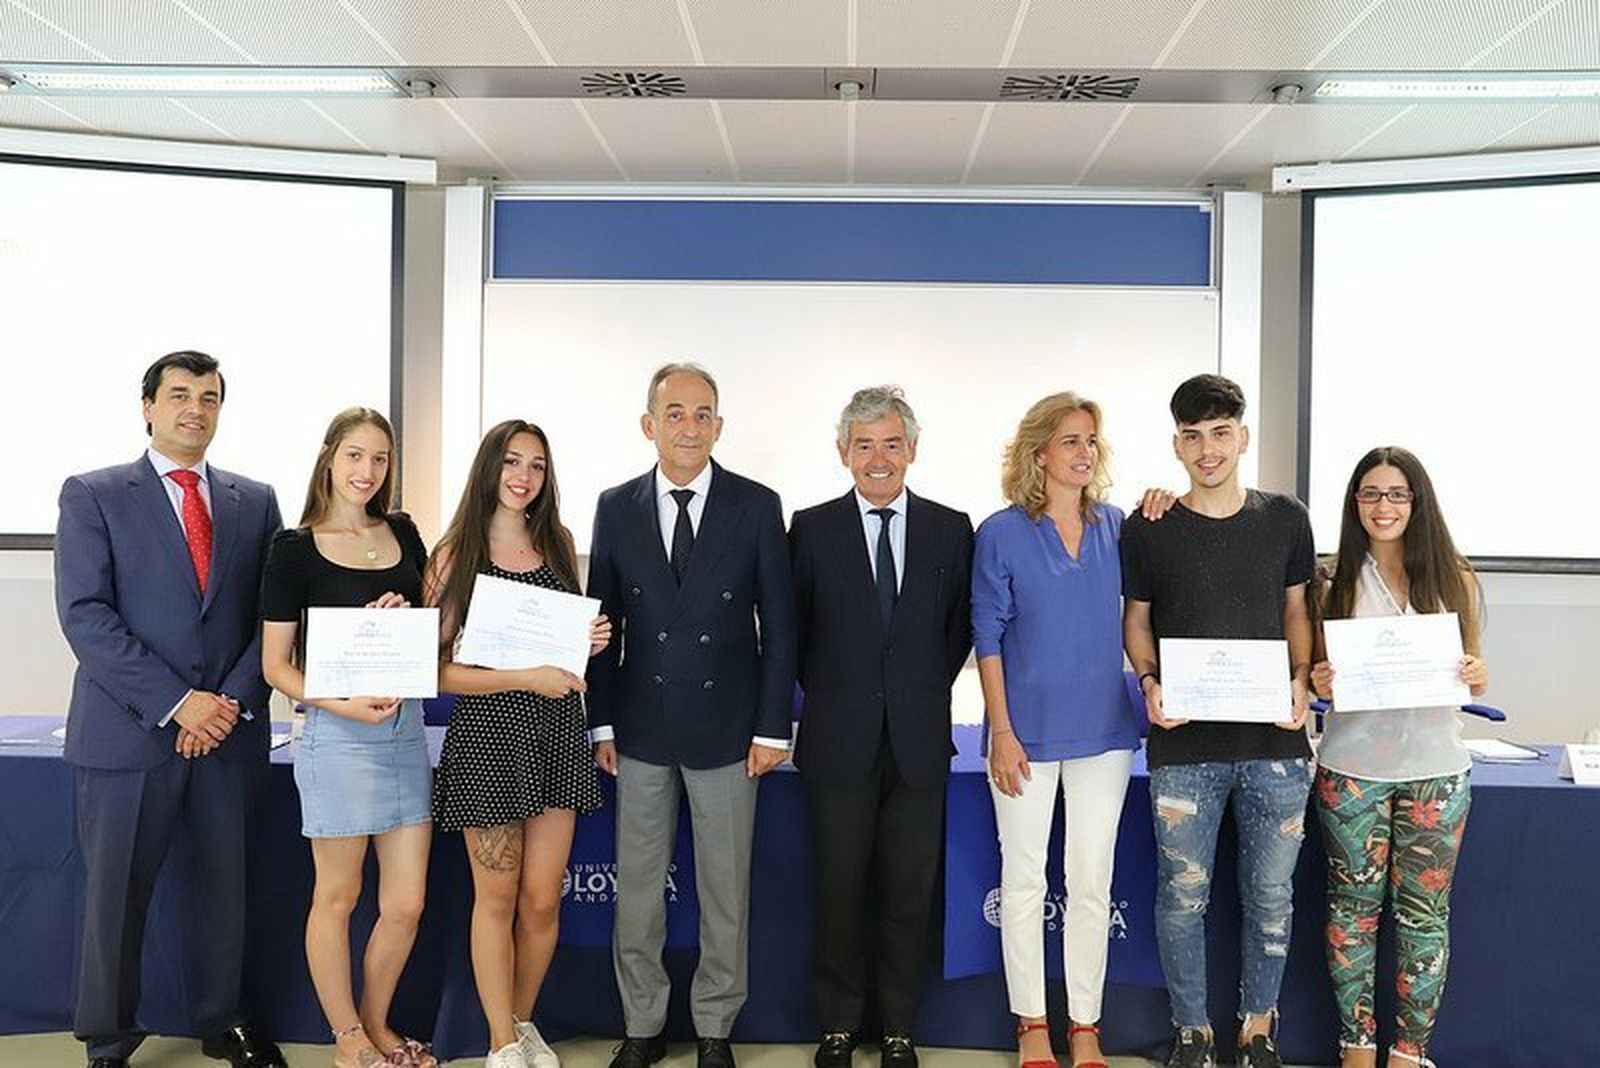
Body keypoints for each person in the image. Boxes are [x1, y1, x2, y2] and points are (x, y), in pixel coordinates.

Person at [54, 351, 286, 1068]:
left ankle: (222, 1019)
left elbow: (272, 617)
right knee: (115, 898)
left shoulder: (256, 500)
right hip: (129, 735)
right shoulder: (93, 494)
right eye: (180, 395)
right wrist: (180, 704)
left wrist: (226, 705)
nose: (195, 409)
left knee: (226, 889)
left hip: (228, 733)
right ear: (148, 406)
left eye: (209, 397)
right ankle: (108, 1038)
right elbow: (86, 615)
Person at [586, 363, 797, 1068]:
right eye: (675, 413)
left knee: (725, 891)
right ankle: (642, 1025)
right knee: (638, 891)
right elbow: (603, 623)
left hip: (729, 730)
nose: (689, 426)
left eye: (703, 413)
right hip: (641, 727)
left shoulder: (756, 505)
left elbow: (781, 628)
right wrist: (601, 722)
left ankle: (714, 1028)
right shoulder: (616, 506)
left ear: (720, 425)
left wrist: (772, 727)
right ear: (649, 424)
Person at [1120, 374, 1315, 1068]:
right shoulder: (1148, 526)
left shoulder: (1285, 518)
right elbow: (1136, 621)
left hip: (1276, 746)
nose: (1208, 450)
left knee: (1271, 897)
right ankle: (1192, 1034)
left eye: (1221, 433)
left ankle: (1257, 1031)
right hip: (1184, 748)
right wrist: (1149, 682)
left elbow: (1297, 610)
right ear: (1177, 445)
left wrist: (1300, 677)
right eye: (1194, 436)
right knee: (1183, 897)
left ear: (1243, 437)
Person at [789, 386, 973, 1068]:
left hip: (918, 742)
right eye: (864, 445)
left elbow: (957, 630)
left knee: (907, 895)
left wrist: (910, 690)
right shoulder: (810, 528)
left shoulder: (952, 529)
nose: (878, 458)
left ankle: (898, 1027)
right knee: (838, 891)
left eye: (892, 444)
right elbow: (794, 633)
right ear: (843, 452)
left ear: (912, 450)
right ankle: (838, 1025)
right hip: (838, 740)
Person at [426, 420, 611, 1068]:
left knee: (541, 900)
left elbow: (562, 647)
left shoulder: (558, 542)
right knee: (497, 899)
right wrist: (526, 677)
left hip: (556, 736)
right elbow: (435, 671)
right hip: (489, 740)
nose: (523, 476)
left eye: (536, 465)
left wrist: (588, 642)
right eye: (511, 461)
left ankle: (522, 1023)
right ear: (489, 467)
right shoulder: (455, 553)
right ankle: (499, 1043)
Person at [259, 407, 435, 1068]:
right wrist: (347, 706)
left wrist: (405, 615)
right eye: (355, 455)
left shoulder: (405, 533)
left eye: (380, 458)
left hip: (405, 735)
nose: (368, 470)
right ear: (330, 457)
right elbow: (276, 667)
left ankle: (378, 1022)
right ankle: (348, 1037)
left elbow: (431, 632)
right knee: (338, 897)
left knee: (406, 903)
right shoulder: (294, 549)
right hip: (336, 738)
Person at [973, 393, 1141, 1068]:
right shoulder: (1001, 532)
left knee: (1091, 880)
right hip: (1025, 735)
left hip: (1104, 732)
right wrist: (1001, 732)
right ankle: (1032, 1024)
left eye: (1091, 440)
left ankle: (1086, 1026)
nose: (1084, 452)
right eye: (1070, 440)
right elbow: (986, 635)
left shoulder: (1118, 527)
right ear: (1038, 452)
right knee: (1023, 880)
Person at [1310, 448, 1487, 1068]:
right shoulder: (1330, 580)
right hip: (1352, 770)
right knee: (1351, 913)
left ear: (1417, 502)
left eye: (1396, 494)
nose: (1382, 506)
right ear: (1354, 503)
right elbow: (1315, 676)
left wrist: (1477, 672)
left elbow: (1475, 673)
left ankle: (1410, 1053)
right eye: (1370, 493)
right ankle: (1356, 1048)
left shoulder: (1454, 576)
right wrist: (1321, 679)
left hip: (1436, 770)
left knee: (1424, 918)